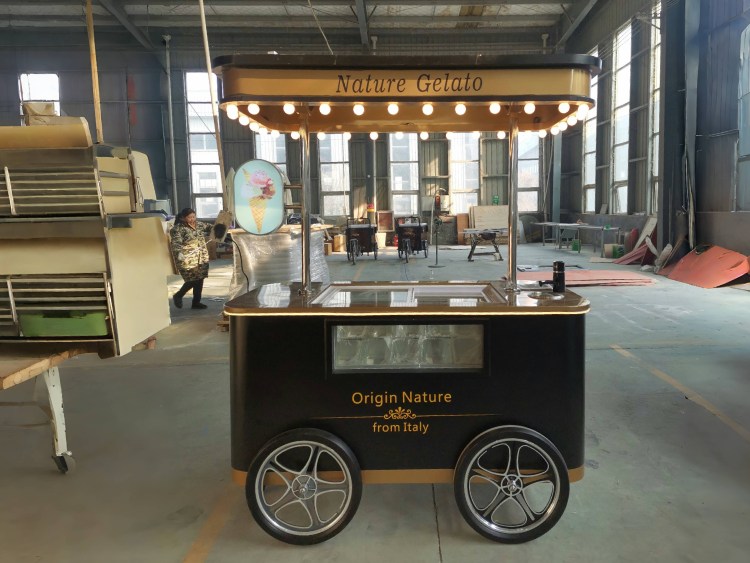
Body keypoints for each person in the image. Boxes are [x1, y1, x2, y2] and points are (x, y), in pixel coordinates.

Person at [170, 207, 213, 310]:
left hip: (201, 257)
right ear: (183, 218)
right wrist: (178, 252)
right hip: (188, 258)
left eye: (193, 216)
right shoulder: (178, 229)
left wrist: (222, 227)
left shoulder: (199, 225)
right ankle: (179, 295)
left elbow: (211, 228)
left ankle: (196, 302)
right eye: (189, 217)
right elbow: (176, 242)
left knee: (200, 279)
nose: (192, 219)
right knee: (192, 280)